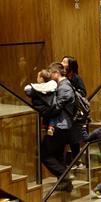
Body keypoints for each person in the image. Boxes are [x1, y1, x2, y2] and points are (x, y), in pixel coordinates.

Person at [41, 62, 77, 190]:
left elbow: (56, 108)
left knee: (43, 153)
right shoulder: (62, 86)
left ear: (56, 73)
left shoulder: (64, 87)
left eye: (51, 74)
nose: (50, 77)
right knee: (57, 155)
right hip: (61, 125)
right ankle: (66, 185)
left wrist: (43, 107)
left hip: (61, 126)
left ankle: (64, 174)